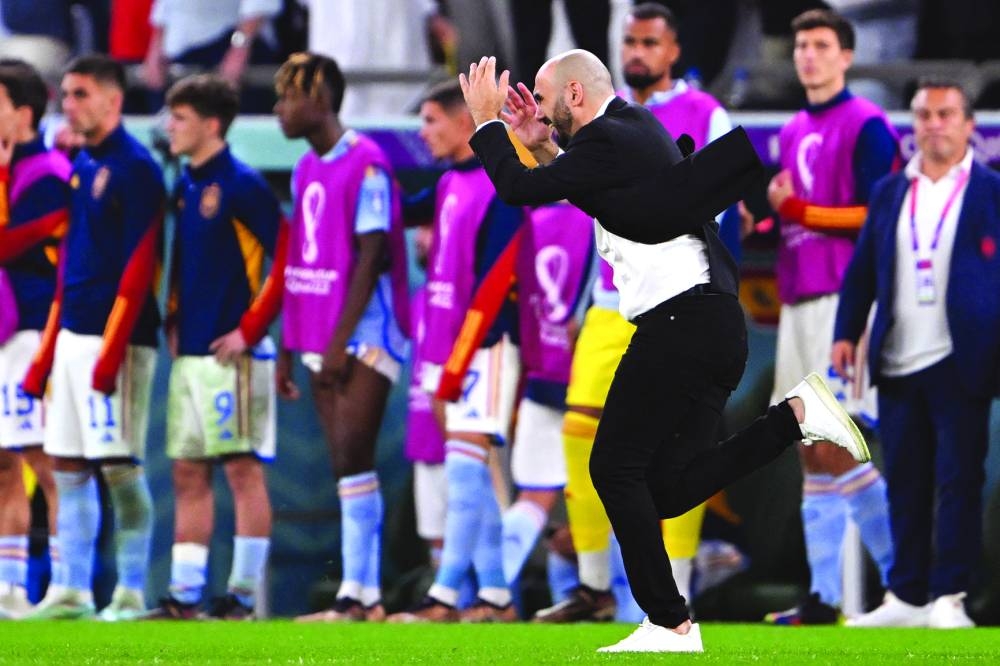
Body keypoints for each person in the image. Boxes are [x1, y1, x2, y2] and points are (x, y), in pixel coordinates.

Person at [459, 49, 870, 653]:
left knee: (612, 468)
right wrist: (539, 144)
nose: (540, 116)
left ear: (575, 95)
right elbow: (595, 195)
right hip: (707, 324)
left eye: (544, 104)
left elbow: (520, 190)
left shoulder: (611, 139)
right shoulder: (630, 130)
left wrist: (489, 123)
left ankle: (671, 624)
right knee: (668, 489)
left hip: (681, 324)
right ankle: (795, 418)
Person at [534, 2, 734, 623]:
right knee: (579, 434)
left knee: (674, 449)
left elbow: (723, 198)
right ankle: (594, 585)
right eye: (629, 41)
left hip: (678, 296)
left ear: (674, 50)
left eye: (649, 41)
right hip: (608, 299)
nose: (637, 52)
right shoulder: (596, 115)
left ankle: (672, 592)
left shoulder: (704, 113)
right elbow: (571, 194)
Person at [834, 80, 1000, 630]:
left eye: (946, 113)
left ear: (968, 125)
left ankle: (949, 595)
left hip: (963, 358)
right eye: (924, 114)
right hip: (899, 356)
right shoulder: (889, 192)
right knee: (903, 479)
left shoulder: (991, 192)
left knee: (958, 480)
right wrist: (846, 330)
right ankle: (905, 595)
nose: (934, 123)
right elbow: (862, 272)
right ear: (913, 125)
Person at [750, 9, 897, 626]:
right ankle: (824, 599)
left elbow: (878, 213)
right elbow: (796, 214)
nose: (807, 55)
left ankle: (905, 586)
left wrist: (801, 212)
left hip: (845, 302)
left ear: (846, 56)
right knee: (810, 449)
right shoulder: (791, 130)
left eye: (820, 45)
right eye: (802, 45)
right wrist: (768, 219)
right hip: (798, 300)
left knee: (839, 449)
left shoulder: (868, 125)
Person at [21, 54, 164, 621]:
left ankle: (131, 590)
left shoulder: (136, 168)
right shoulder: (82, 165)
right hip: (75, 333)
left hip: (118, 340)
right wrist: (51, 350)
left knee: (119, 464)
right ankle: (72, 589)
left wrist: (111, 348)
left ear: (112, 99)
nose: (68, 104)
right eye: (66, 94)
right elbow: (69, 265)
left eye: (79, 94)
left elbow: (140, 265)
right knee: (66, 464)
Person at [272, 53, 410, 623]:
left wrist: (338, 342)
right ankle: (358, 595)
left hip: (364, 331)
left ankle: (363, 593)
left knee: (355, 452)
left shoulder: (367, 162)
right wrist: (288, 345)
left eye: (288, 96)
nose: (279, 108)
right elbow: (298, 260)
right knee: (343, 465)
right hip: (313, 329)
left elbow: (373, 253)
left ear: (321, 98)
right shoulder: (306, 168)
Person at [142, 74, 283, 620]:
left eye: (179, 118)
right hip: (192, 352)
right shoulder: (187, 183)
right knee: (187, 471)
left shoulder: (243, 183)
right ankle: (183, 594)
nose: (170, 127)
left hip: (235, 354)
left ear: (211, 124)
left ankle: (243, 598)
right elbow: (185, 260)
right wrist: (174, 316)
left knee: (242, 470)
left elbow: (286, 260)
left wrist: (250, 329)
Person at [387, 80, 524, 623]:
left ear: (465, 123)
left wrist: (469, 354)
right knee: (468, 473)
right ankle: (495, 596)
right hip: (443, 347)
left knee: (466, 473)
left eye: (430, 120)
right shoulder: (448, 183)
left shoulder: (501, 186)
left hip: (484, 347)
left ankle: (444, 596)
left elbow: (496, 283)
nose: (423, 134)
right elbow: (402, 210)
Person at [0, 59, 71, 619]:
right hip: (4, 331)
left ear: (21, 112)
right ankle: (10, 587)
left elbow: (7, 245)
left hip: (32, 330)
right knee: (4, 465)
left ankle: (65, 584)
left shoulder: (47, 173)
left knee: (44, 462)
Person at [502, 199, 594, 591]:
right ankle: (628, 611)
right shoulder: (602, 217)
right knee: (610, 498)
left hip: (541, 374)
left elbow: (508, 301)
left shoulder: (530, 221)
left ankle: (489, 589)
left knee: (533, 497)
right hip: (594, 380)